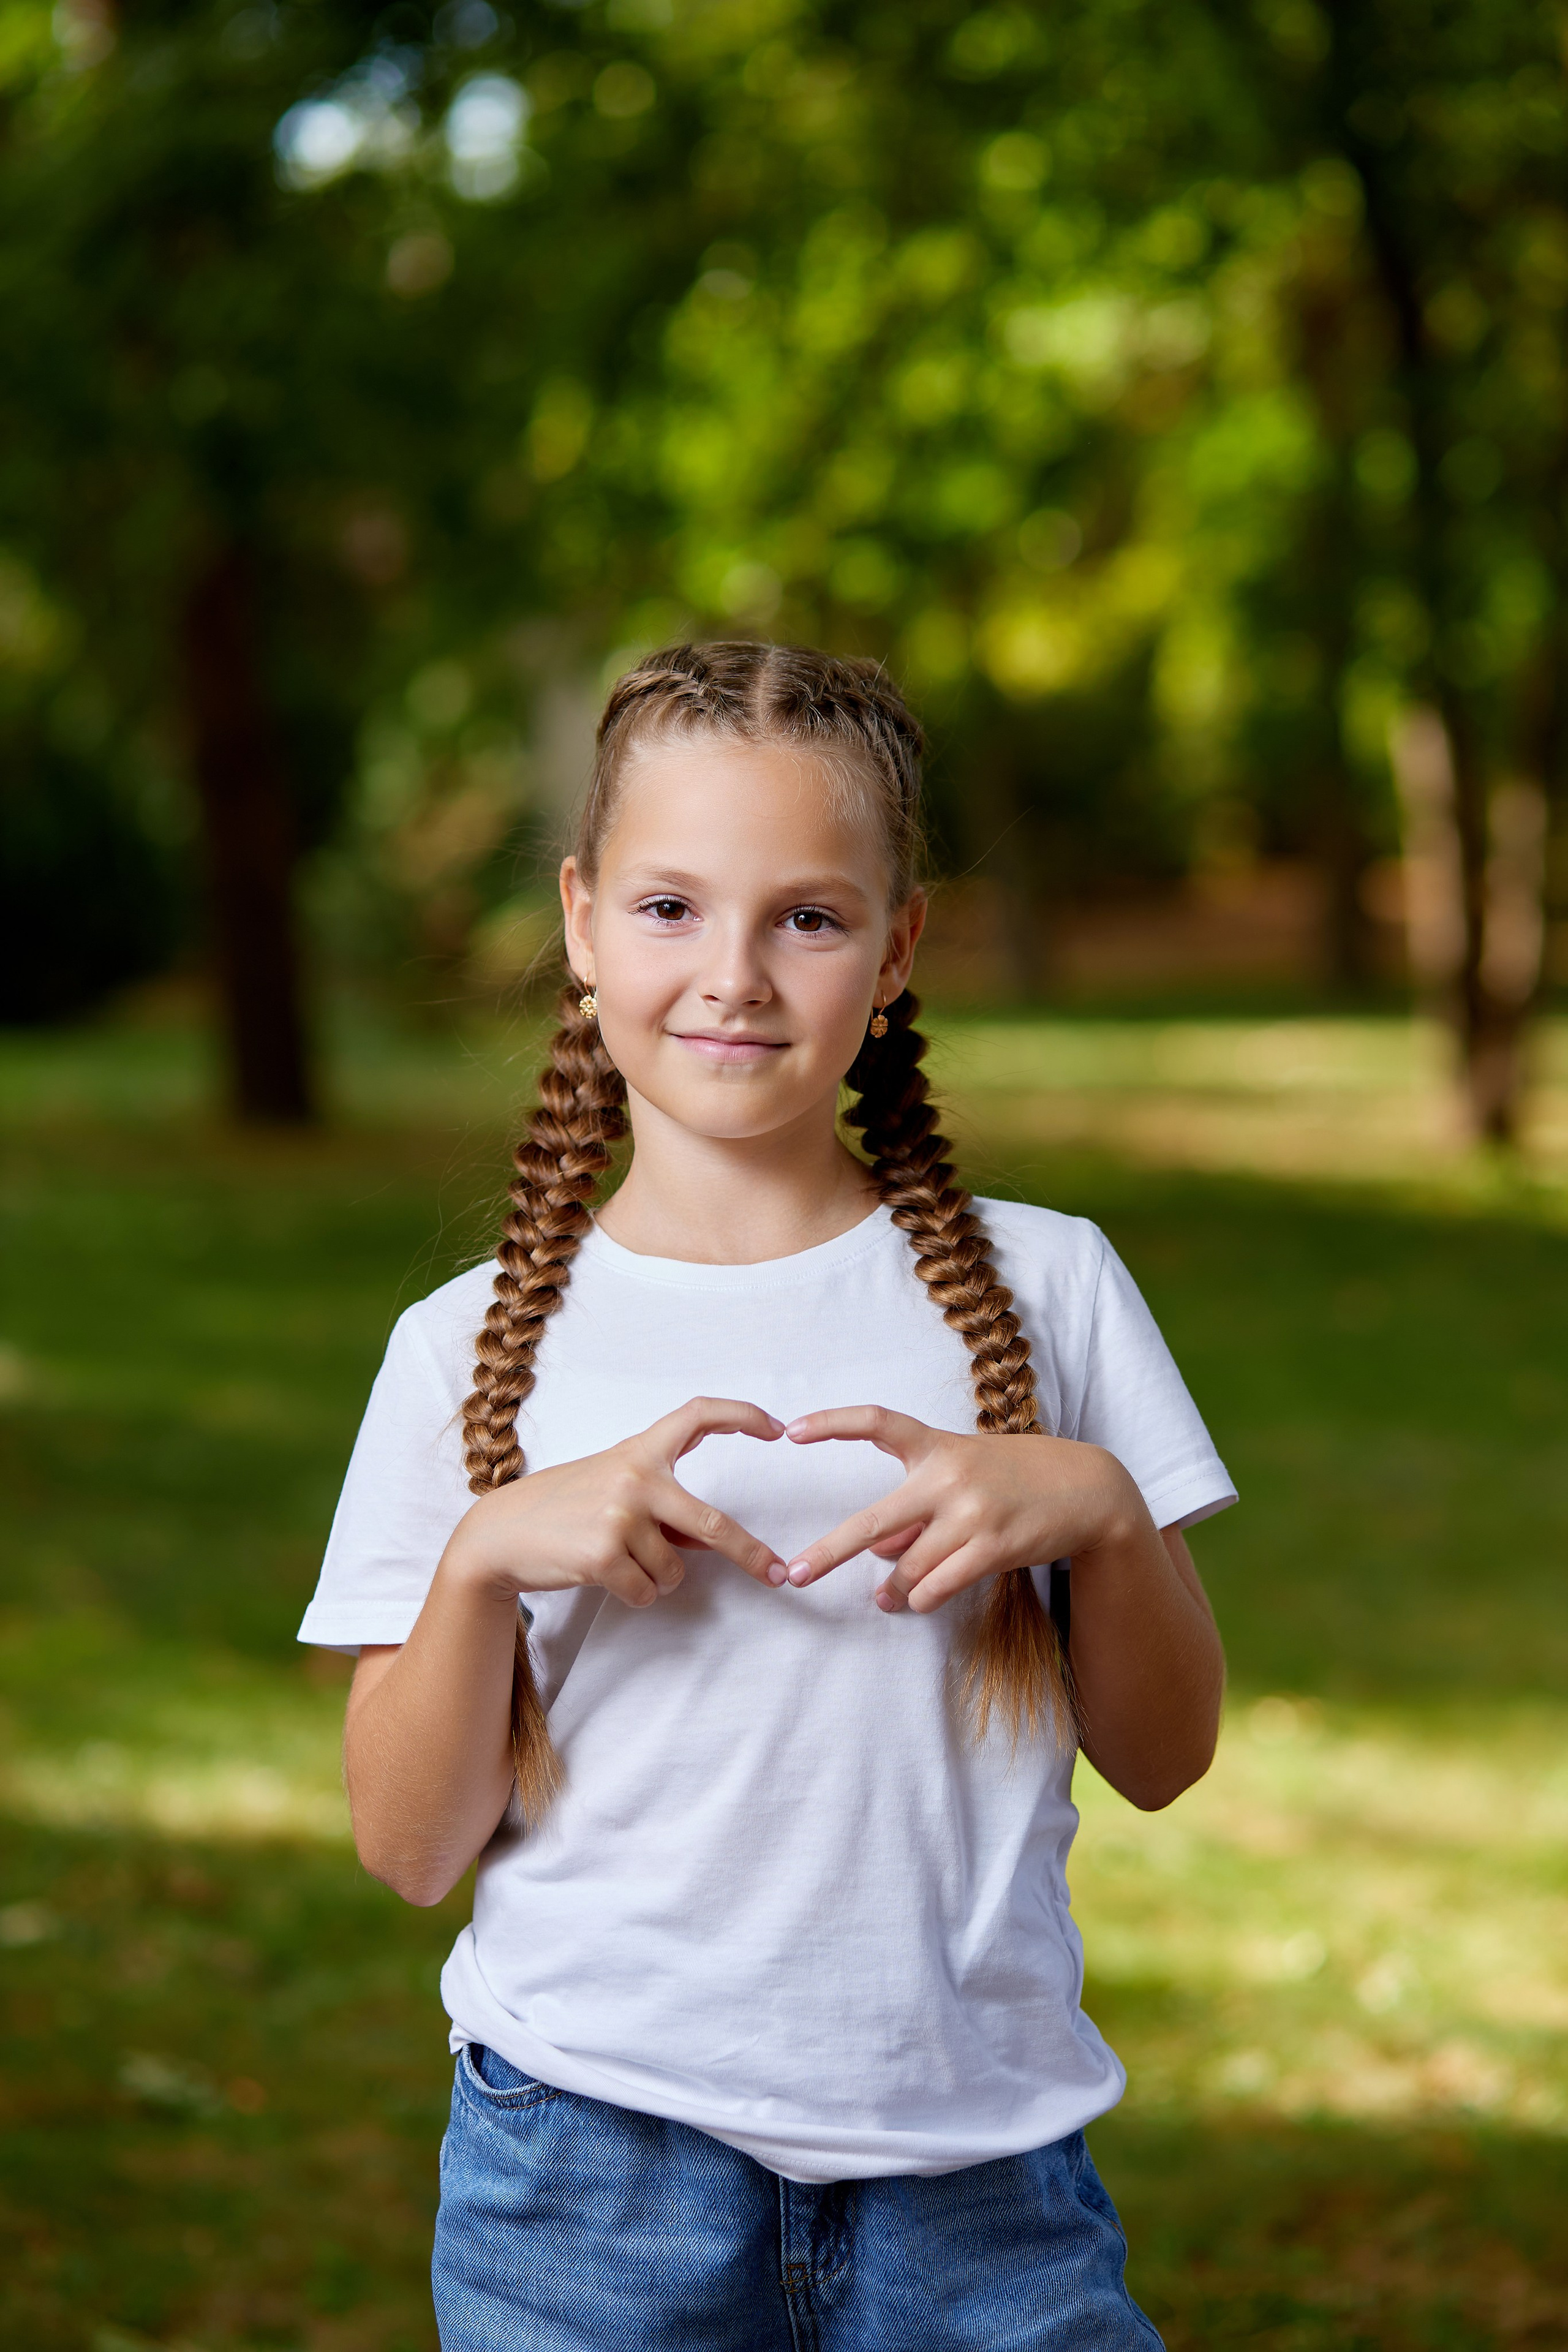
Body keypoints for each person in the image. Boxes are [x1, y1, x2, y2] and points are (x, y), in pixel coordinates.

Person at [299, 641, 1234, 2351]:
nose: (731, 974)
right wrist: (484, 1568)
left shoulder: (1052, 1289)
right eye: (670, 908)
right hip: (586, 2181)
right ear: (581, 921)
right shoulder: (460, 1352)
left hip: (980, 2180)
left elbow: (1165, 1760)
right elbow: (407, 1847)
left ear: (897, 949)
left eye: (807, 916)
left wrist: (1099, 1509)